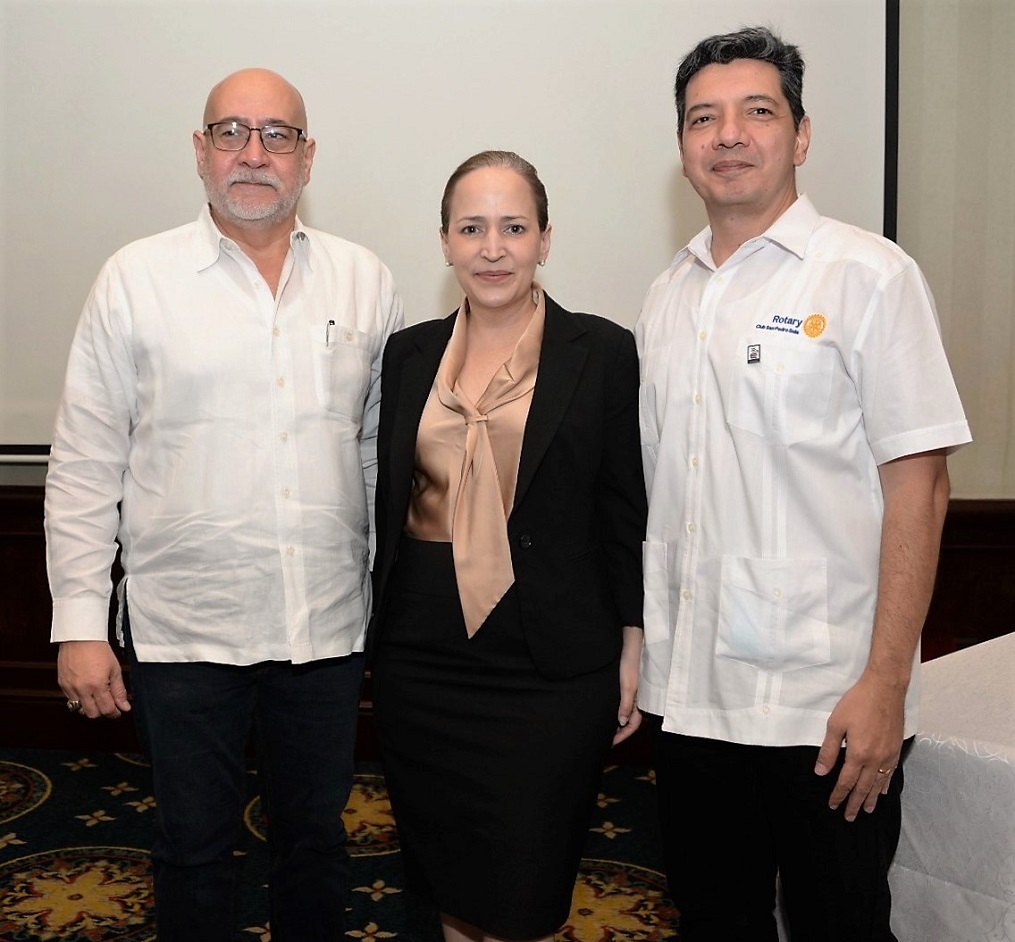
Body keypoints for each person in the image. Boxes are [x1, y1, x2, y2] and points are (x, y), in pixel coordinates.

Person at [45, 68, 403, 941]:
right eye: (231, 132)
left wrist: (387, 612)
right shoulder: (134, 279)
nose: (254, 153)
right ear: (199, 151)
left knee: (316, 843)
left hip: (322, 627)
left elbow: (375, 459)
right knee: (193, 848)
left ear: (307, 157)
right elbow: (89, 459)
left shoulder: (365, 282)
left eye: (276, 135)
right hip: (184, 631)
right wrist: (79, 625)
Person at [636, 27, 971, 942]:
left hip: (823, 706)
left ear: (801, 133)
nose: (728, 135)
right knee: (714, 922)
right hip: (694, 697)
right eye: (703, 118)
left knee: (840, 925)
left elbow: (919, 487)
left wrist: (884, 683)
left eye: (756, 112)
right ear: (682, 146)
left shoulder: (868, 275)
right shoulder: (667, 295)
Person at [369, 150, 647, 942]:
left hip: (550, 665)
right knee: (450, 876)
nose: (493, 248)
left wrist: (632, 645)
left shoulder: (602, 351)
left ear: (545, 239)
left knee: (525, 884)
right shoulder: (406, 356)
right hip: (422, 660)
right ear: (445, 242)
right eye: (472, 228)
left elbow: (624, 511)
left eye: (513, 227)